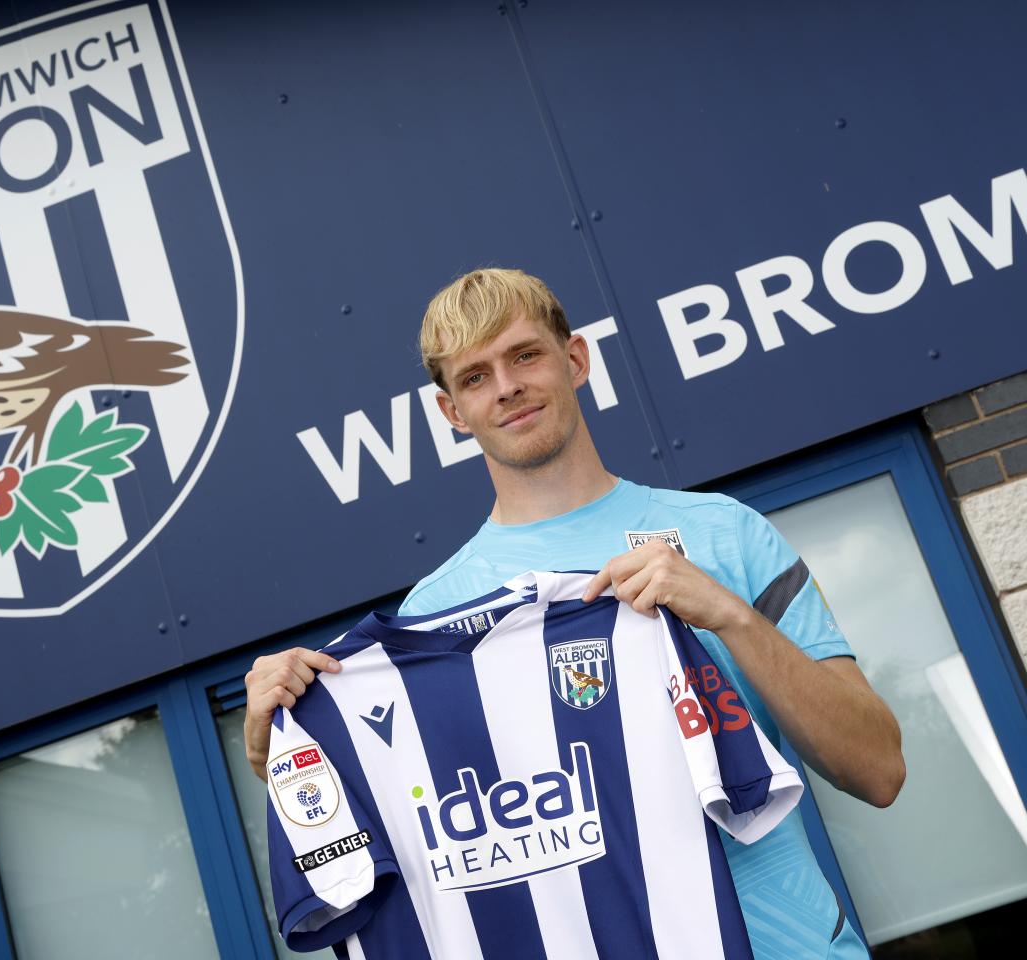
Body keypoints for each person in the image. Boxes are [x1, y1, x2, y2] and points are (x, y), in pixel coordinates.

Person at [245, 268, 904, 959]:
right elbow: (423, 840)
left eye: (525, 354)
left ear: (576, 360)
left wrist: (730, 617)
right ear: (452, 413)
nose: (507, 387)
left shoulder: (724, 534)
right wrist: (279, 750)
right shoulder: (434, 619)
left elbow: (879, 770)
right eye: (474, 376)